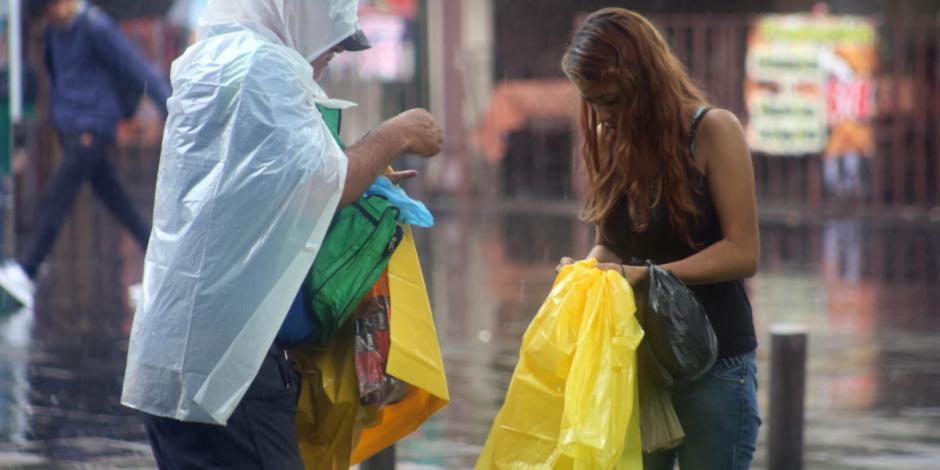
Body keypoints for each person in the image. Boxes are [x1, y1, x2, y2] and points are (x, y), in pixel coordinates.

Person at [119, 0, 442, 468]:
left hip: (169, 357)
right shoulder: (263, 70)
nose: (325, 65)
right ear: (303, 17)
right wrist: (397, 133)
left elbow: (254, 191)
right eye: (327, 52)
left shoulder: (212, 61)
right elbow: (322, 181)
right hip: (231, 372)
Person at [557, 8, 761, 470]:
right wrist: (589, 272)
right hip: (640, 369)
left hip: (717, 369)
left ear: (644, 79)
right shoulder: (612, 139)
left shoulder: (714, 131)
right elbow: (608, 241)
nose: (602, 116)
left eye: (611, 99)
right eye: (591, 102)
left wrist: (643, 276)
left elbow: (743, 252)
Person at [0, 0, 172, 307]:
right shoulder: (56, 33)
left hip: (92, 128)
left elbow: (135, 67)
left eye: (50, 13)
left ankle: (27, 270)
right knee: (120, 203)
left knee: (57, 194)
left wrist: (172, 107)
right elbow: (55, 76)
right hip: (70, 127)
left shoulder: (95, 26)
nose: (50, 20)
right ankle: (167, 269)